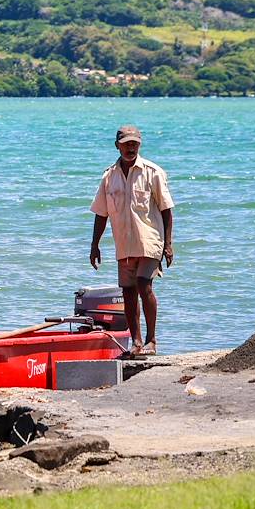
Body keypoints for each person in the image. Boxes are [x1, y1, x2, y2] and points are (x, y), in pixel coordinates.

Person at [89, 124, 175, 356]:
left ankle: (151, 340)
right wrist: (95, 245)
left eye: (134, 144)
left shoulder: (153, 172)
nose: (131, 148)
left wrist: (168, 244)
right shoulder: (109, 177)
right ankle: (136, 342)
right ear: (117, 146)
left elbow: (166, 209)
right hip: (124, 243)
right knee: (127, 292)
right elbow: (101, 213)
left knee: (143, 284)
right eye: (126, 144)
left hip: (149, 240)